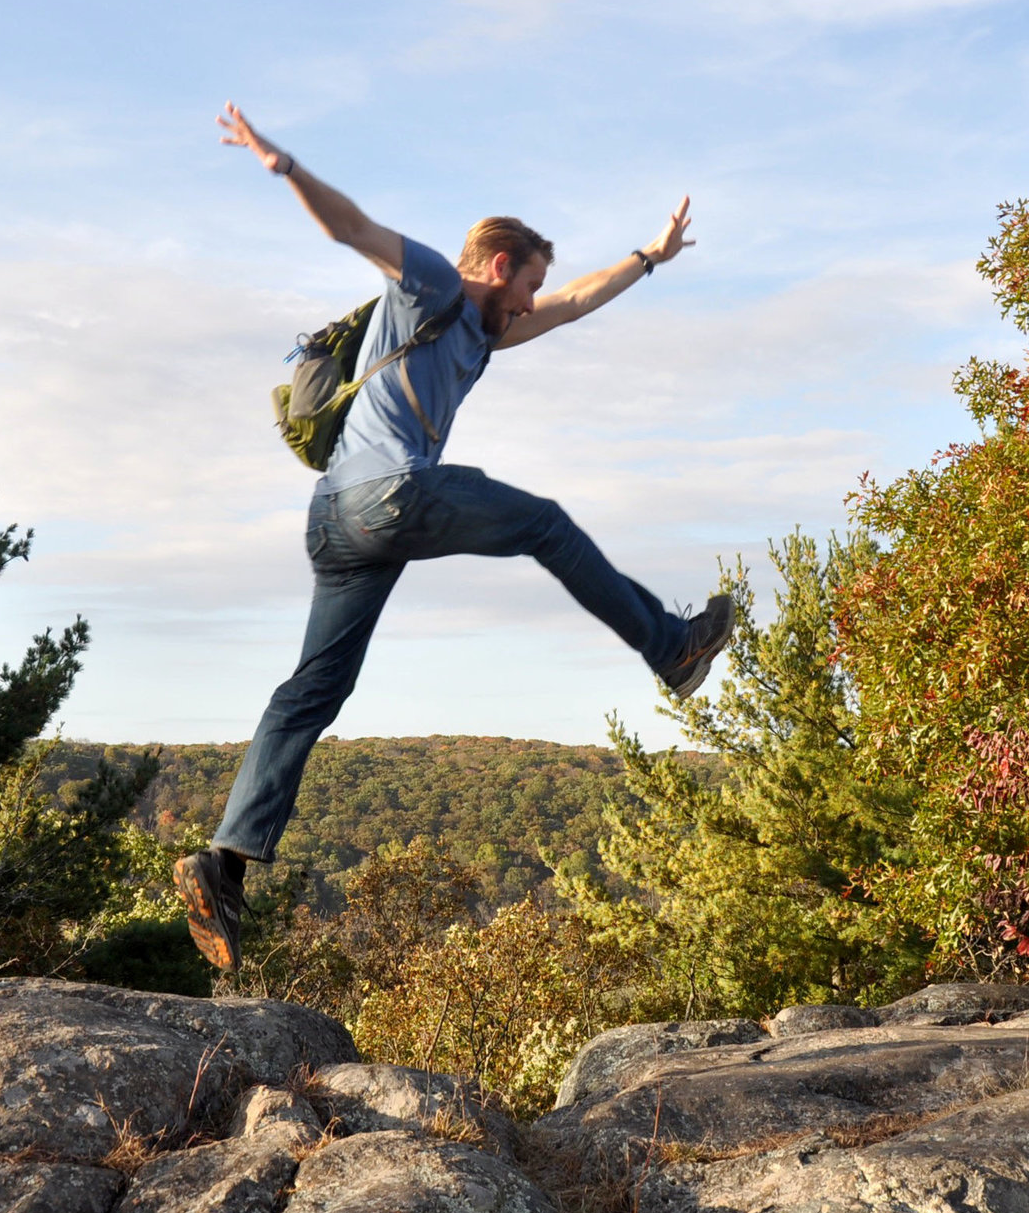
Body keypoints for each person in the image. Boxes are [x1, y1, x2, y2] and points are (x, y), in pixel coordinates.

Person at [173, 104, 736, 971]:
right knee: (543, 523)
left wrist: (648, 259)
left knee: (315, 690)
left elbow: (577, 305)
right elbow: (353, 228)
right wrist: (281, 163)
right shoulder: (434, 286)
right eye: (529, 285)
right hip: (391, 497)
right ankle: (671, 648)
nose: (534, 303)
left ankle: (223, 864)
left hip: (336, 522)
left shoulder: (481, 336)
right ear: (500, 268)